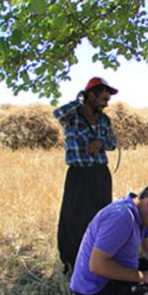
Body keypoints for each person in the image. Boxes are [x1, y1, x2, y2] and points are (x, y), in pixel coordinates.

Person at [53, 77, 119, 273]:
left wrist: (101, 143)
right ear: (91, 95)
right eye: (103, 99)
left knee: (100, 217)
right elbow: (57, 113)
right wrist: (80, 100)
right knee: (74, 218)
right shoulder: (71, 116)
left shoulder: (104, 120)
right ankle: (73, 261)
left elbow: (113, 142)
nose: (106, 104)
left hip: (100, 174)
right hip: (79, 175)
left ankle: (98, 259)